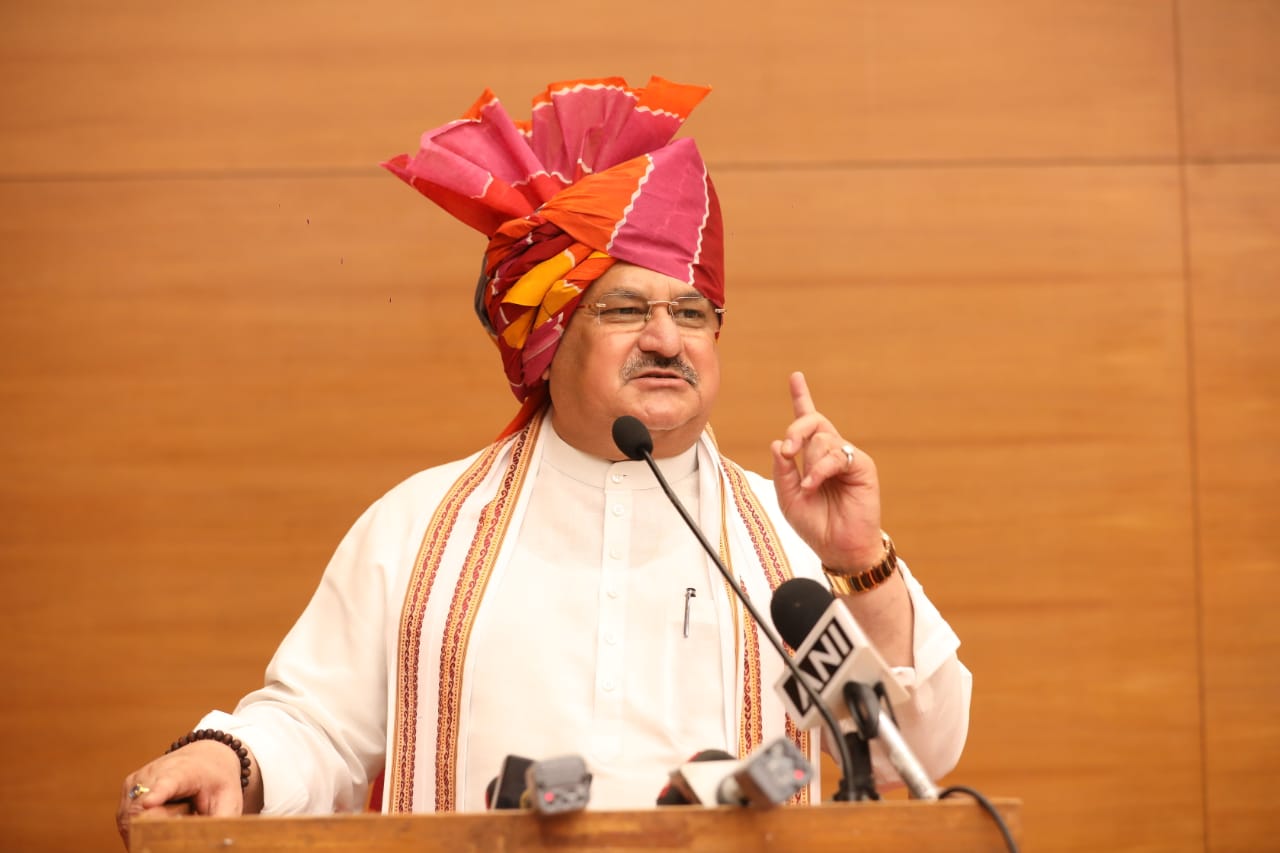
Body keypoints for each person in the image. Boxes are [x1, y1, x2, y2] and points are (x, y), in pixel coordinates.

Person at [117, 76, 971, 844]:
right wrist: (231, 757)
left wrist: (860, 563)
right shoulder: (417, 529)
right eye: (627, 309)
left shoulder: (784, 548)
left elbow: (914, 757)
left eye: (694, 310)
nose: (668, 339)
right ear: (549, 338)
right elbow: (319, 728)